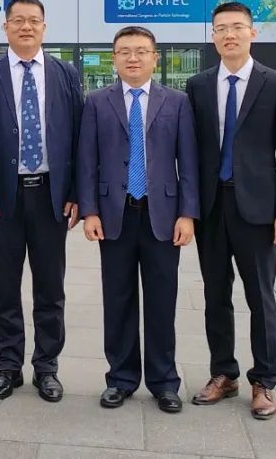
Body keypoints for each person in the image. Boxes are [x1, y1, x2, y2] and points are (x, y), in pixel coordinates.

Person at [0, 0, 84, 403]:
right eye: (18, 20)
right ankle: (8, 366)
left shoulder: (65, 74)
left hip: (51, 197)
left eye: (34, 20)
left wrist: (76, 193)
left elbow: (79, 138)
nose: (26, 27)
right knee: (4, 287)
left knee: (50, 288)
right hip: (3, 200)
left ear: (44, 27)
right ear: (6, 27)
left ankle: (46, 367)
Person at [185, 2, 276, 420]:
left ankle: (264, 381)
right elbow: (191, 151)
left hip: (257, 209)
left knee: (260, 297)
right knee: (215, 295)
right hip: (212, 207)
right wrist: (188, 207)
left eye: (237, 27)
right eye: (221, 28)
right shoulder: (198, 86)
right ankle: (223, 373)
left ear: (253, 33)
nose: (229, 35)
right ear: (212, 36)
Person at [77, 26, 199, 414]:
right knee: (118, 300)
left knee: (162, 301)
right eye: (125, 51)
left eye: (141, 51)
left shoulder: (177, 102)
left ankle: (164, 382)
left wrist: (188, 214)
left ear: (155, 58)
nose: (133, 58)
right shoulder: (96, 102)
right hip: (115, 215)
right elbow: (86, 161)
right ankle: (121, 379)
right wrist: (89, 210)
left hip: (162, 216)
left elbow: (189, 162)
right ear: (114, 58)